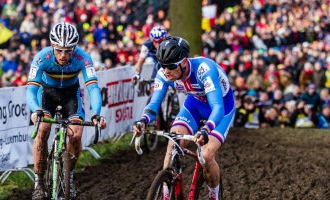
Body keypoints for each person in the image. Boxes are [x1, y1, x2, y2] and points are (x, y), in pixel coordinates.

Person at [132, 37, 235, 200]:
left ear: (184, 62)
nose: (166, 71)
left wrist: (206, 129)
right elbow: (154, 104)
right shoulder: (164, 74)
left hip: (220, 109)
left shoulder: (204, 69)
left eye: (171, 66)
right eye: (162, 65)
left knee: (206, 155)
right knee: (172, 144)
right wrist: (143, 120)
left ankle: (214, 196)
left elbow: (218, 107)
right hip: (194, 105)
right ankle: (167, 191)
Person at [26, 22, 107, 200]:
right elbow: (31, 90)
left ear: (75, 48)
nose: (63, 55)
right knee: (43, 129)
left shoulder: (84, 58)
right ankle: (39, 182)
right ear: (52, 46)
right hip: (46, 94)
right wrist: (35, 109)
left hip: (71, 95)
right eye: (59, 50)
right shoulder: (42, 57)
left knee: (76, 134)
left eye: (68, 50)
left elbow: (93, 88)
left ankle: (68, 175)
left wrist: (96, 113)